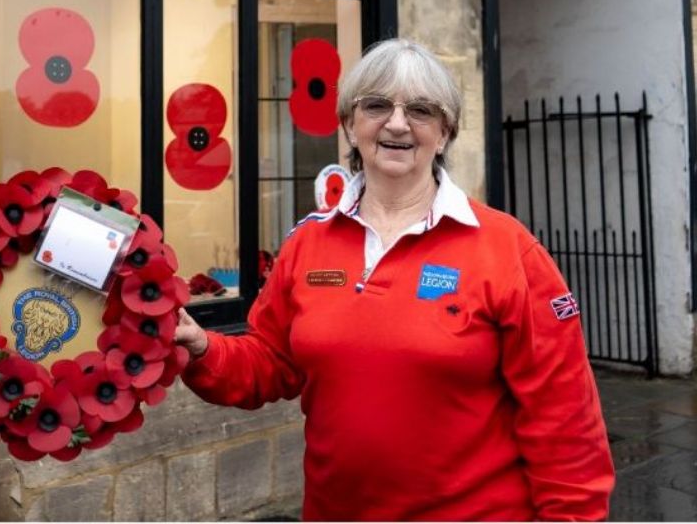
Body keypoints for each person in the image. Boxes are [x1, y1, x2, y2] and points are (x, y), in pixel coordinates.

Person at [175, 38, 614, 521]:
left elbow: (564, 418)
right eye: (377, 105)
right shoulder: (308, 243)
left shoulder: (507, 248)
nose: (398, 123)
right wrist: (202, 347)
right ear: (349, 123)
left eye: (422, 110)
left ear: (445, 133)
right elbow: (271, 362)